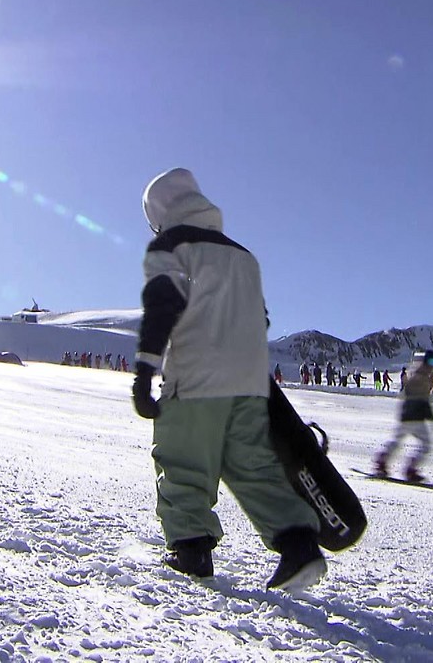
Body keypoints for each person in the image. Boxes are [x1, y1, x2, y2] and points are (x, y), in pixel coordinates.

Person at [130, 168, 325, 592]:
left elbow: (164, 305)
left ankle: (191, 550)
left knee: (184, 460)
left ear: (160, 211)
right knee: (251, 465)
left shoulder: (170, 246)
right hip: (250, 380)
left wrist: (145, 370)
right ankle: (299, 545)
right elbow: (263, 318)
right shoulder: (243, 255)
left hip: (196, 378)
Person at [374, 349, 433, 483]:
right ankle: (410, 470)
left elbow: (407, 394)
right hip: (415, 416)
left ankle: (381, 462)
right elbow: (422, 400)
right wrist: (432, 418)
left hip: (406, 415)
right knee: (426, 444)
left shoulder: (417, 372)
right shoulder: (422, 376)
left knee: (396, 440)